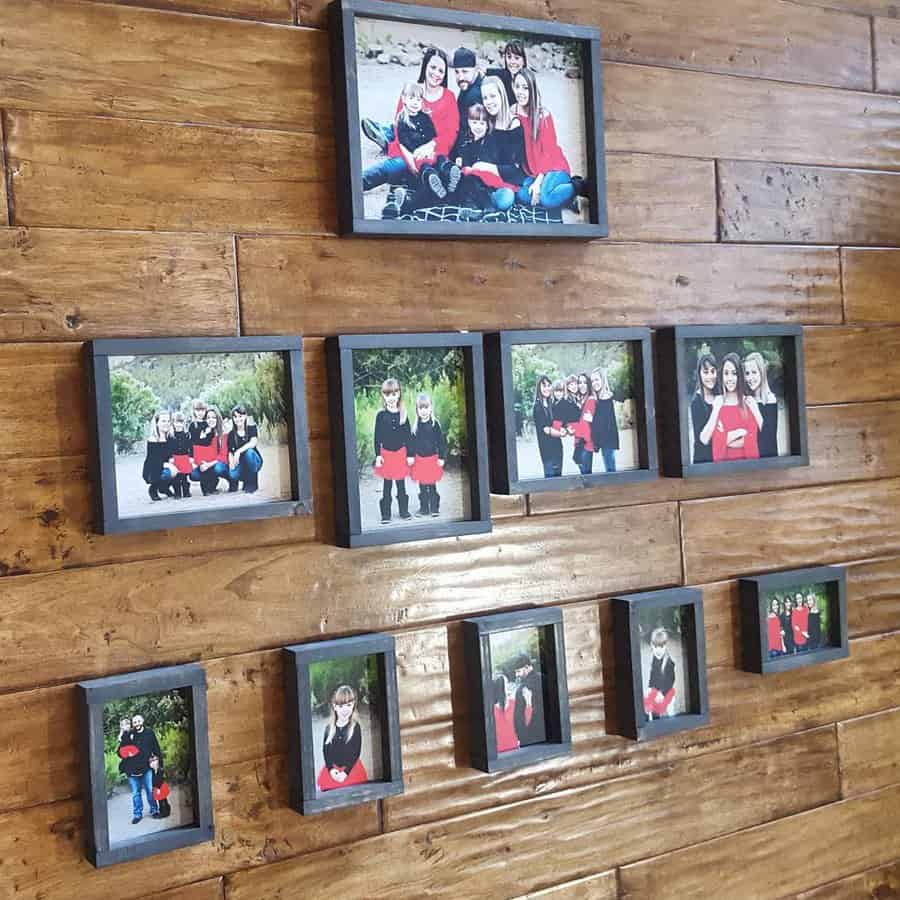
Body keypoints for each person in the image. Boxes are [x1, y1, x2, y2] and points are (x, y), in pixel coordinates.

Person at [362, 82, 437, 206]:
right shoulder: (404, 117)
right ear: (404, 99)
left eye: (418, 99)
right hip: (408, 154)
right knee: (392, 166)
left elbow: (434, 137)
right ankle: (355, 183)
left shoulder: (427, 116)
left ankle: (386, 134)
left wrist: (430, 147)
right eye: (412, 99)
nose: (415, 102)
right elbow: (403, 145)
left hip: (425, 159)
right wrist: (411, 163)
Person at [511, 68, 576, 211]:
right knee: (522, 194)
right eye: (517, 87)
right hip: (531, 171)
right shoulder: (512, 112)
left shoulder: (543, 115)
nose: (520, 92)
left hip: (553, 167)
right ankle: (561, 194)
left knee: (546, 199)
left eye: (525, 88)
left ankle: (578, 186)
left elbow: (549, 153)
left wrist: (539, 182)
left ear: (532, 89)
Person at [478, 75, 527, 212]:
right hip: (487, 178)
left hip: (508, 181)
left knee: (506, 199)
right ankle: (481, 199)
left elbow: (516, 168)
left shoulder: (514, 125)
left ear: (502, 95)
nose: (488, 102)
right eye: (485, 98)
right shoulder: (488, 122)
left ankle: (484, 201)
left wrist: (488, 167)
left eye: (492, 96)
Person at [704, 352, 761, 462]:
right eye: (726, 373)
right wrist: (739, 432)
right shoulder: (718, 403)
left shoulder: (748, 402)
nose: (729, 378)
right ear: (722, 376)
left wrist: (724, 438)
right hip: (722, 470)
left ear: (739, 376)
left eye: (734, 373)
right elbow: (715, 443)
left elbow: (752, 439)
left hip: (748, 468)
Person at [373, 377, 413, 524]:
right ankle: (386, 514)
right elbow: (377, 437)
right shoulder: (381, 416)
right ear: (383, 395)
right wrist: (378, 455)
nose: (391, 398)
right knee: (387, 486)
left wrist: (410, 454)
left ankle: (404, 511)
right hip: (387, 455)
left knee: (401, 484)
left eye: (394, 394)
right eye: (388, 395)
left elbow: (408, 437)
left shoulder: (403, 414)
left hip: (401, 454)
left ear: (399, 394)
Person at [317, 685, 368, 791]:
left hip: (351, 768)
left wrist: (346, 773)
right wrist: (331, 769)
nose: (345, 710)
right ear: (334, 706)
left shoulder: (355, 727)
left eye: (348, 705)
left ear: (353, 705)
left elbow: (356, 753)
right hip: (334, 769)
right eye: (341, 706)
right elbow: (326, 751)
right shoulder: (329, 728)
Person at [117, 713, 162, 824]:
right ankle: (137, 814)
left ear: (142, 721)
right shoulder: (130, 735)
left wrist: (160, 764)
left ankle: (154, 810)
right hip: (132, 770)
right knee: (136, 793)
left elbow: (156, 748)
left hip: (146, 767)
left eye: (138, 721)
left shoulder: (149, 733)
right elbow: (120, 751)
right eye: (134, 722)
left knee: (150, 791)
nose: (136, 724)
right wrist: (123, 736)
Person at [409, 393, 447, 517]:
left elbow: (441, 443)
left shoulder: (434, 425)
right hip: (420, 460)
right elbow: (412, 444)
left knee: (431, 485)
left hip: (431, 459)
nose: (424, 411)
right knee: (422, 485)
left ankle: (435, 508)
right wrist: (410, 456)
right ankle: (424, 508)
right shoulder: (416, 427)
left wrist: (441, 457)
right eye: (421, 408)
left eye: (426, 408)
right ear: (417, 410)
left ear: (431, 408)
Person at [743, 351, 779, 458]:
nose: (750, 378)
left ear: (762, 372)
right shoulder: (747, 398)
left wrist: (755, 409)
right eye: (747, 373)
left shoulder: (770, 399)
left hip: (766, 459)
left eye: (754, 372)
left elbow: (769, 438)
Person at [191, 406, 230, 495]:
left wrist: (208, 464)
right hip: (208, 463)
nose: (211, 420)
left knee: (218, 468)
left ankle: (231, 479)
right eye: (208, 418)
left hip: (221, 463)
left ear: (218, 418)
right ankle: (210, 486)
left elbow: (223, 456)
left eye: (213, 417)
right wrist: (201, 464)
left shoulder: (223, 432)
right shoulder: (204, 433)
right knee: (194, 474)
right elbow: (198, 451)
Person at [141, 411, 178, 502]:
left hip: (166, 465)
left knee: (179, 467)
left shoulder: (171, 437)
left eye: (168, 421)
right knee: (167, 472)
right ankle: (153, 488)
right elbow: (154, 461)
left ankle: (164, 488)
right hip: (152, 470)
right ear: (157, 423)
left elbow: (172, 454)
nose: (167, 424)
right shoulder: (153, 439)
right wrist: (169, 465)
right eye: (163, 421)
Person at [227, 404, 263, 494]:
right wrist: (231, 462)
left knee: (249, 452)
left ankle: (252, 483)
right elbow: (230, 451)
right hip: (241, 463)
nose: (238, 419)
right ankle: (245, 481)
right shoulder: (231, 434)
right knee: (232, 474)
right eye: (235, 417)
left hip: (254, 461)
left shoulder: (251, 428)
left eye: (240, 416)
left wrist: (238, 451)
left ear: (245, 416)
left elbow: (253, 442)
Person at [690, 353, 718, 465]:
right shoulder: (696, 402)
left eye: (713, 371)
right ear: (699, 374)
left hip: (720, 457)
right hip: (704, 461)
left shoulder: (720, 396)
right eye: (705, 372)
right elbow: (702, 440)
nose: (710, 376)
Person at [533, 375, 563, 478]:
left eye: (549, 385)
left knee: (558, 481)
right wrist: (561, 433)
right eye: (544, 385)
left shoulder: (552, 404)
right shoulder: (537, 407)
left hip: (558, 449)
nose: (546, 388)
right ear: (539, 388)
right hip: (547, 452)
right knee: (550, 483)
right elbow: (546, 429)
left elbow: (557, 424)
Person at [512, 653, 545, 746]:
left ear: (526, 667)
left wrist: (522, 740)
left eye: (518, 671)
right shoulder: (545, 679)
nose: (516, 675)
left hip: (530, 738)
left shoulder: (522, 690)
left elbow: (519, 720)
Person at [589, 369, 619, 473]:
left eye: (597, 380)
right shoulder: (596, 398)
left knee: (610, 468)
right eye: (592, 381)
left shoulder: (606, 397)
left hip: (608, 440)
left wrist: (591, 418)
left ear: (602, 379)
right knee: (609, 466)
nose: (594, 383)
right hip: (602, 438)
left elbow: (606, 423)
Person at [644, 627, 676, 719]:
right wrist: (650, 688)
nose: (658, 650)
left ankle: (672, 721)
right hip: (657, 691)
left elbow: (670, 681)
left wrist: (661, 693)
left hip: (667, 691)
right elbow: (652, 677)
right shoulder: (653, 659)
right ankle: (653, 718)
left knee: (671, 713)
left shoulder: (669, 663)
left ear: (665, 646)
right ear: (651, 645)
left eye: (661, 646)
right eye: (655, 646)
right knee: (649, 703)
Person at [486, 39, 527, 105]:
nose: (512, 62)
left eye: (517, 58)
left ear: (524, 60)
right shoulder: (502, 75)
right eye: (509, 57)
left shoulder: (528, 80)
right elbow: (483, 71)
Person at [571, 372, 595, 475]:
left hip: (586, 444)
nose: (582, 385)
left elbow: (585, 425)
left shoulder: (590, 400)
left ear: (588, 384)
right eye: (580, 382)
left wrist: (571, 427)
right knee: (584, 471)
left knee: (586, 475)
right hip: (580, 442)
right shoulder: (580, 400)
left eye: (585, 382)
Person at [169, 411, 194, 500]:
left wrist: (191, 457)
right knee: (176, 477)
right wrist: (170, 458)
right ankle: (177, 493)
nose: (178, 424)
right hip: (175, 458)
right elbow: (168, 448)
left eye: (180, 422)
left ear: (183, 423)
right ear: (173, 423)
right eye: (176, 422)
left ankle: (186, 492)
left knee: (184, 477)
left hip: (184, 458)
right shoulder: (171, 435)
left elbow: (191, 447)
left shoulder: (187, 435)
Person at [492, 674, 519, 753]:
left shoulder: (490, 710)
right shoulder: (515, 704)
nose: (510, 686)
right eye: (508, 684)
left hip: (501, 753)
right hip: (514, 750)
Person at [148, 754, 171, 819]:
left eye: (154, 761)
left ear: (158, 761)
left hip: (161, 787)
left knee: (162, 800)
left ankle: (164, 812)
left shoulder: (160, 770)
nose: (153, 763)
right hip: (157, 787)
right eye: (151, 762)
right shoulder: (152, 771)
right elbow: (153, 781)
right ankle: (165, 810)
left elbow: (160, 780)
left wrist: (158, 788)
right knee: (160, 800)